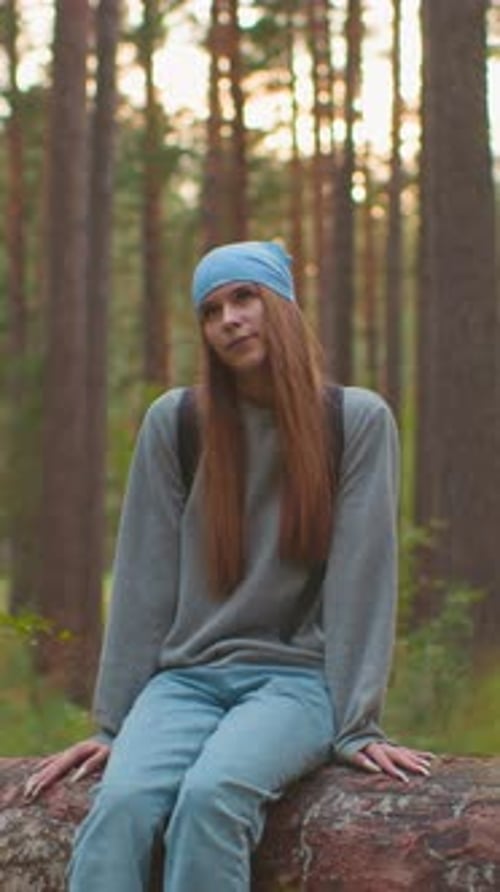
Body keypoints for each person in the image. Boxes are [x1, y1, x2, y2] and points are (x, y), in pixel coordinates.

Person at [24, 241, 431, 891]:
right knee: (122, 807)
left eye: (245, 298)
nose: (229, 320)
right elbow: (141, 580)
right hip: (185, 682)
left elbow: (363, 581)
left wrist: (358, 724)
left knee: (212, 798)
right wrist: (114, 725)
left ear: (284, 307)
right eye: (211, 310)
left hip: (295, 684)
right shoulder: (177, 423)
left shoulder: (355, 422)